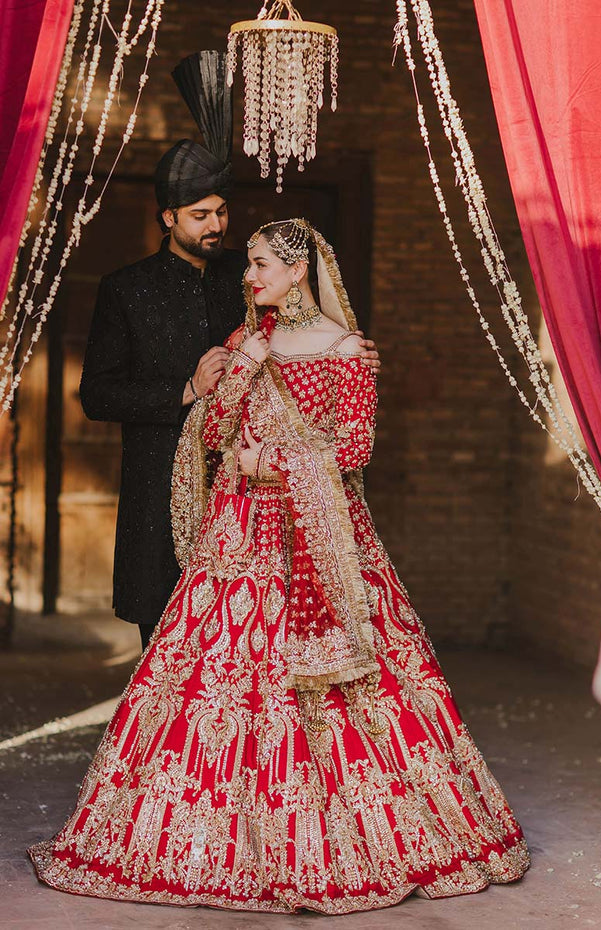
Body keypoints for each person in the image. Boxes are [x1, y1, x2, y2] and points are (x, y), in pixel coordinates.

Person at [30, 219, 529, 911]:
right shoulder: (246, 341)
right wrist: (240, 370)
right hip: (234, 544)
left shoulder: (348, 348)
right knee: (208, 685)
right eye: (250, 266)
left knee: (352, 687)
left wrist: (273, 463)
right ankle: (195, 843)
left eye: (262, 264)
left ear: (300, 271)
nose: (249, 275)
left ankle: (354, 839)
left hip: (317, 540)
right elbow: (210, 430)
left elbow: (354, 448)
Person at [79, 51, 381, 650]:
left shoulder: (247, 277)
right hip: (160, 474)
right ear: (168, 217)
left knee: (243, 644)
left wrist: (352, 352)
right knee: (165, 638)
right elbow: (96, 393)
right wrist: (185, 392)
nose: (216, 225)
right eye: (200, 215)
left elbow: (304, 336)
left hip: (247, 492)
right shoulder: (126, 290)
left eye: (222, 211)